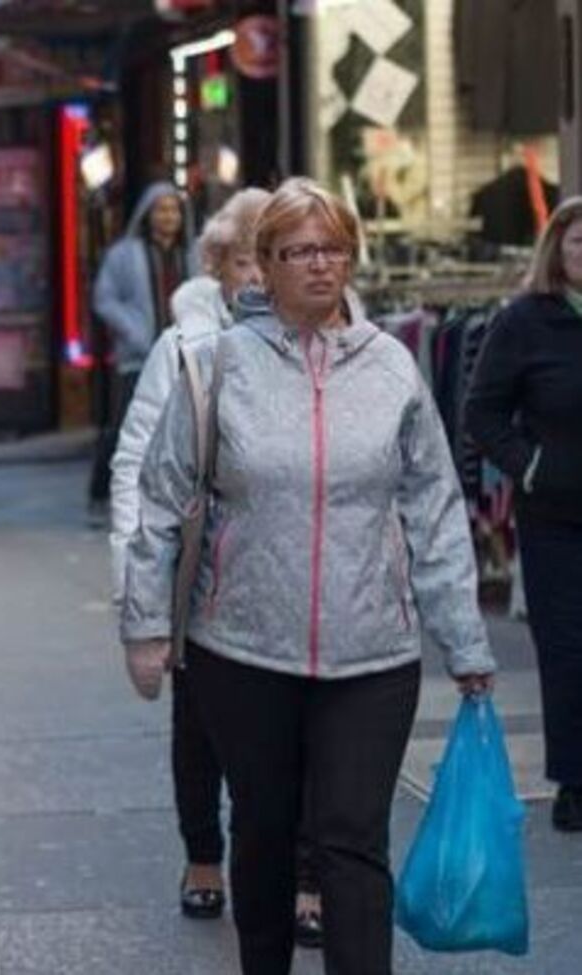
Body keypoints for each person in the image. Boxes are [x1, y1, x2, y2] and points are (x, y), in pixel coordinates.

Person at [121, 178, 496, 975]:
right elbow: (161, 499)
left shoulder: (393, 367)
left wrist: (462, 635)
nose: (320, 267)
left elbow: (433, 503)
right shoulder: (217, 366)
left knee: (352, 839)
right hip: (244, 648)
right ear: (264, 265)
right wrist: (146, 625)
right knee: (263, 828)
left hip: (373, 652)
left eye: (332, 249)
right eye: (299, 252)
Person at [466, 196, 582, 833]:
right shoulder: (523, 322)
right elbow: (480, 412)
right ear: (557, 252)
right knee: (566, 648)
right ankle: (573, 780)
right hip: (556, 513)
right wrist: (530, 466)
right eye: (578, 243)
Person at [89, 181, 196, 523]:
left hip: (183, 356)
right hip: (138, 357)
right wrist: (134, 332)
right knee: (125, 428)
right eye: (161, 209)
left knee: (181, 429)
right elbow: (103, 298)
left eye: (173, 210)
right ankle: (100, 496)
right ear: (148, 214)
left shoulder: (191, 254)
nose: (168, 216)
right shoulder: (124, 254)